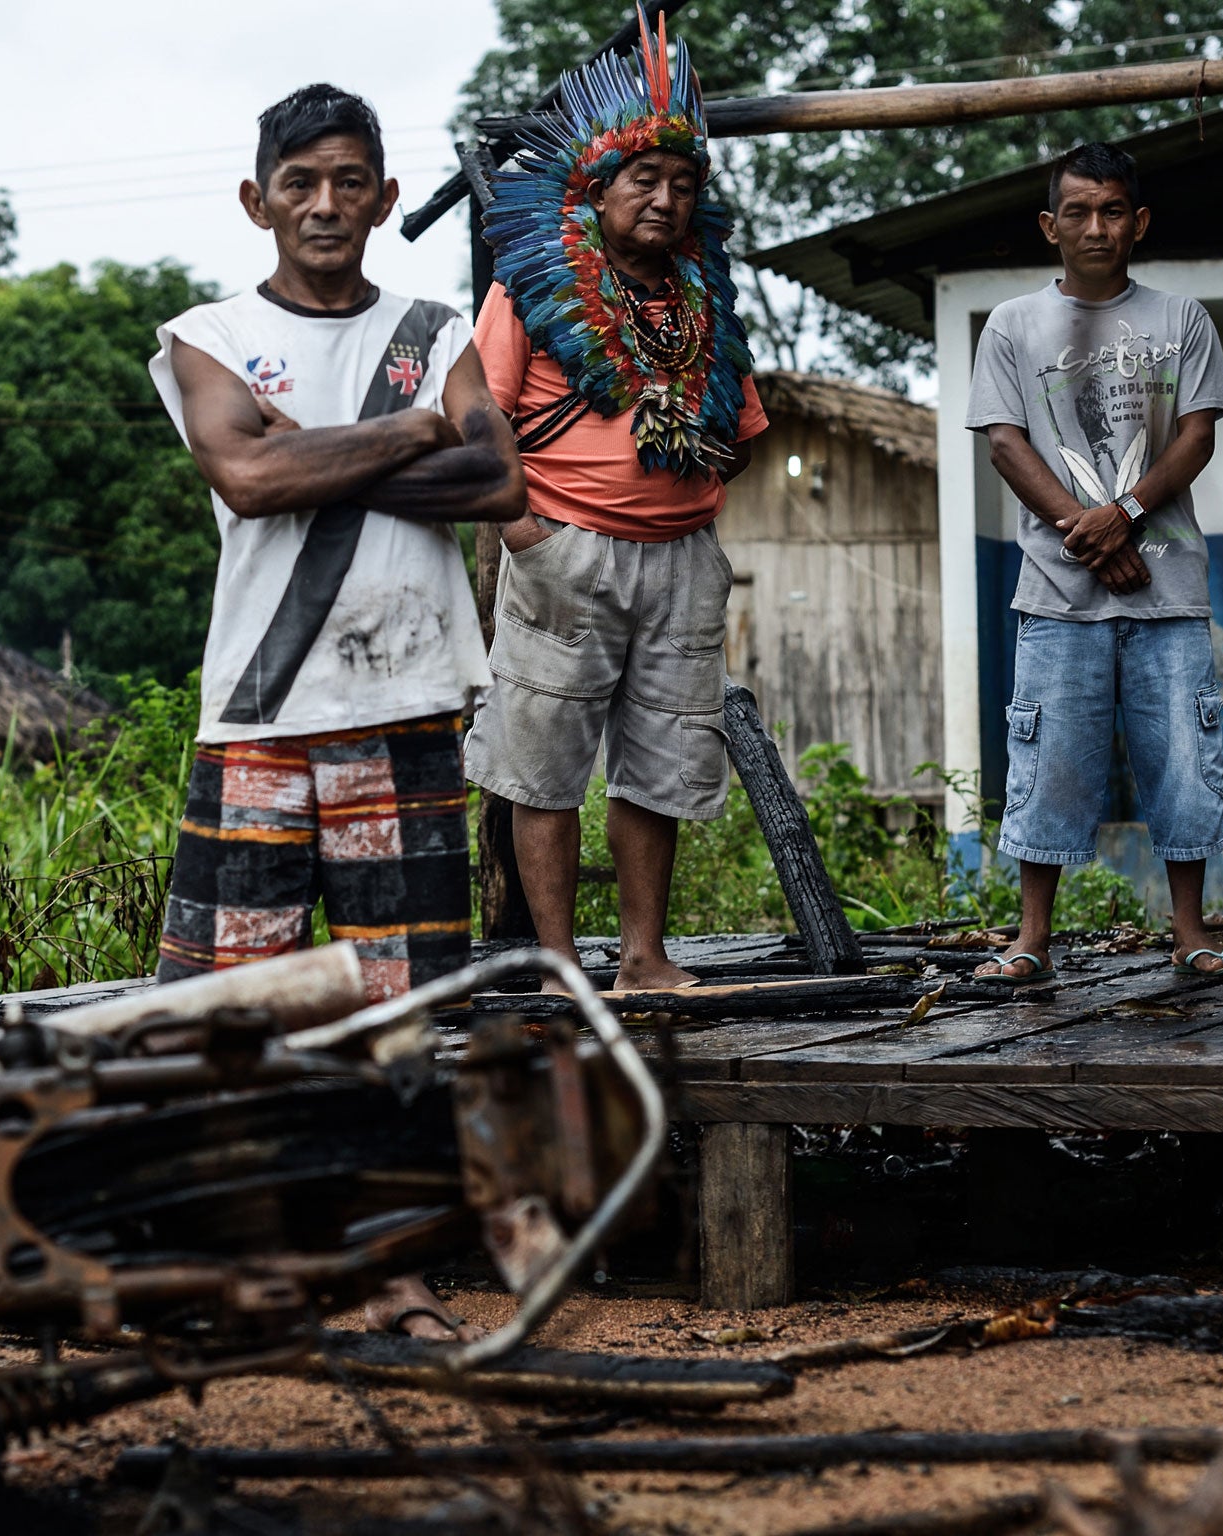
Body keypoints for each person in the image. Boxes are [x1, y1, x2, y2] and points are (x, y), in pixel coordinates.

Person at [148, 83, 526, 1337]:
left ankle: (389, 1267)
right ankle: (260, 1260)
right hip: (258, 717)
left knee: (402, 1010)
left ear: (382, 197)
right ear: (257, 200)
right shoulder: (203, 333)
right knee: (237, 1008)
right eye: (298, 183)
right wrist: (415, 429)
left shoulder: (430, 325)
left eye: (348, 180)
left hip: (406, 708)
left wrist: (342, 446)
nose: (323, 204)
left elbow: (496, 479)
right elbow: (247, 475)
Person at [463, 10, 767, 992]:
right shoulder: (531, 288)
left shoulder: (703, 298)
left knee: (665, 760)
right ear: (597, 186)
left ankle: (642, 957)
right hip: (566, 551)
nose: (666, 199)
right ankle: (555, 962)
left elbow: (748, 431)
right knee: (540, 764)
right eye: (645, 179)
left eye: (683, 184)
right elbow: (474, 415)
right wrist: (525, 531)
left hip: (681, 559)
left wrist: (711, 470)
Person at [964, 141, 1223, 982]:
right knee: (1049, 761)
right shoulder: (1013, 325)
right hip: (1056, 592)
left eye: (1114, 209)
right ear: (1051, 226)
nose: (1098, 226)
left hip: (1169, 589)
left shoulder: (1180, 319)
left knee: (1183, 766)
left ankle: (1192, 934)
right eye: (1080, 211)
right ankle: (1031, 940)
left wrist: (1123, 517)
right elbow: (1005, 445)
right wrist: (1084, 534)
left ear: (1140, 222)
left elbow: (1196, 436)